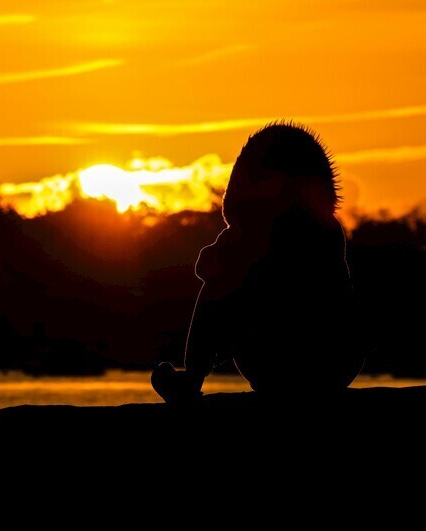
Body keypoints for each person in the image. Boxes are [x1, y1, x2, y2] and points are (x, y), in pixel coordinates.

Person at [152, 121, 367, 403]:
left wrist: (231, 239)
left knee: (217, 287)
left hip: (275, 367)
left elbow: (205, 268)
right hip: (337, 367)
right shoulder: (328, 229)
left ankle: (193, 377)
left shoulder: (251, 234)